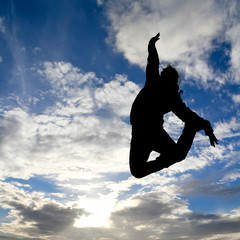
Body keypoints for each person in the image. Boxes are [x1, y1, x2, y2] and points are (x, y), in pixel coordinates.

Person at [129, 33, 218, 178]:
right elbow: (153, 63)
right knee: (138, 171)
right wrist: (151, 45)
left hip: (151, 132)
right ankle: (191, 128)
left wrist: (204, 125)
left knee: (176, 154)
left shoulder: (171, 97)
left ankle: (191, 129)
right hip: (140, 133)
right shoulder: (154, 83)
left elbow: (186, 114)